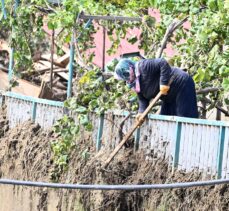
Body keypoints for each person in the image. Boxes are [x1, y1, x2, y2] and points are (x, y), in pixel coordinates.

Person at [114, 58, 198, 120]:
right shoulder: (136, 83)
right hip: (168, 96)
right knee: (165, 119)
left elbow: (162, 63)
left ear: (131, 67)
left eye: (127, 73)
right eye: (124, 76)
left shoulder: (143, 66)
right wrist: (141, 112)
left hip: (181, 84)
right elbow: (142, 99)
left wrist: (163, 83)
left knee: (184, 117)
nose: (127, 77)